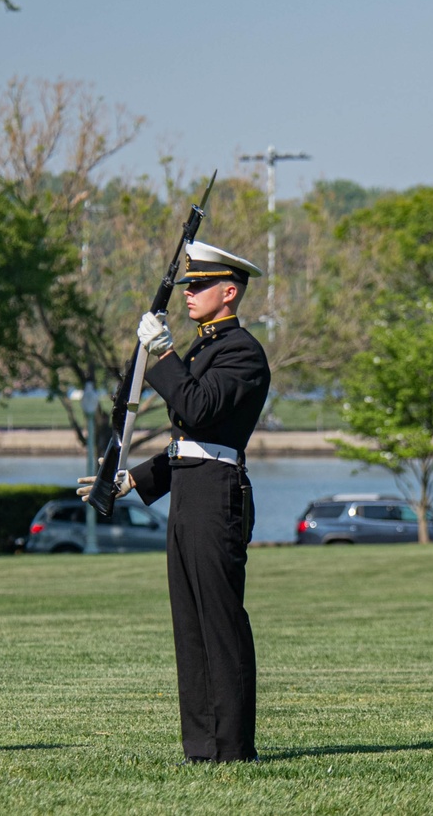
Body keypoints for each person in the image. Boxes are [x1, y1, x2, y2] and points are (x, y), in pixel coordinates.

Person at [79, 240, 271, 763]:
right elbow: (186, 440)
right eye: (188, 285)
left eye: (201, 285)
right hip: (189, 491)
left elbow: (197, 408)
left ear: (229, 292)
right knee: (189, 624)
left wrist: (162, 354)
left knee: (220, 620)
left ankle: (232, 745)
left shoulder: (242, 352)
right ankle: (202, 746)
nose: (190, 294)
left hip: (217, 495)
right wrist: (133, 481)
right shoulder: (205, 349)